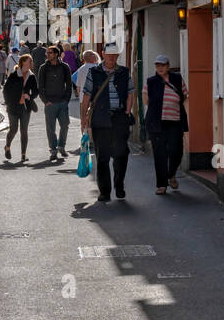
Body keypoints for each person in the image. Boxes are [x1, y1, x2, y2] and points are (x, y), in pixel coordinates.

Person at [79, 43, 134, 202]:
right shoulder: (94, 72)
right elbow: (87, 96)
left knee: (121, 154)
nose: (112, 58)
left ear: (118, 56)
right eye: (109, 55)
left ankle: (119, 185)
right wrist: (84, 118)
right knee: (102, 156)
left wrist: (127, 111)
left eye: (115, 55)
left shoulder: (123, 72)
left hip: (119, 118)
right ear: (103, 54)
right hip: (100, 118)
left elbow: (130, 92)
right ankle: (104, 191)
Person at [143, 55, 189, 194]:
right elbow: (145, 98)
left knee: (177, 151)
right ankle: (161, 185)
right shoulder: (151, 82)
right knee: (160, 153)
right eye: (158, 65)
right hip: (157, 123)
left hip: (175, 121)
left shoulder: (177, 79)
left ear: (168, 66)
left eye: (163, 65)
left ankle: (171, 174)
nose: (160, 68)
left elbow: (185, 95)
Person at [38, 43, 73, 161]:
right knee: (50, 128)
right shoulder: (43, 67)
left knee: (65, 125)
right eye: (47, 53)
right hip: (50, 103)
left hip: (62, 102)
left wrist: (66, 99)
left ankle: (61, 146)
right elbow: (40, 86)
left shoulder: (65, 67)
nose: (47, 55)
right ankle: (53, 150)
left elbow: (69, 84)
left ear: (56, 54)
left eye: (50, 53)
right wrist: (45, 101)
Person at [3, 52, 38, 161]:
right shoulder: (14, 75)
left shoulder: (32, 76)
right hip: (13, 107)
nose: (32, 63)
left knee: (24, 130)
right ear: (23, 62)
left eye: (32, 61)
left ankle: (23, 154)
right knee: (13, 129)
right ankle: (7, 146)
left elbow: (36, 91)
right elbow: (5, 90)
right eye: (30, 61)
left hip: (25, 107)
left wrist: (29, 96)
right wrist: (8, 102)